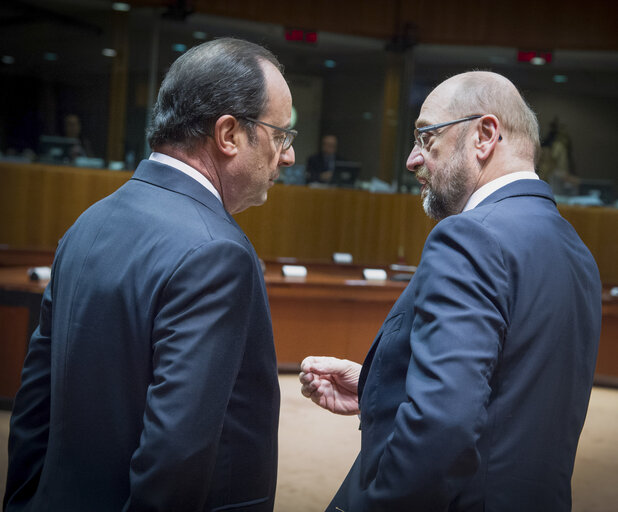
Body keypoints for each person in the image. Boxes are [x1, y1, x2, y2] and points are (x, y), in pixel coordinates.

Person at [5, 37, 296, 511]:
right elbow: (175, 456)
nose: (286, 156)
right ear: (228, 135)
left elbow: (34, 408)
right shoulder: (216, 252)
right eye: (280, 134)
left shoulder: (89, 222)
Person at [300, 71, 601, 511]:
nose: (411, 160)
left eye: (426, 138)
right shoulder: (575, 249)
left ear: (484, 135)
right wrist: (376, 387)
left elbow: (442, 426)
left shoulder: (469, 237)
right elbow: (511, 390)